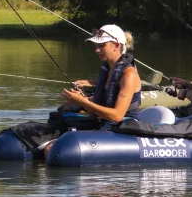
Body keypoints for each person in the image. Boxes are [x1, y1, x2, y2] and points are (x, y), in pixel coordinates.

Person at [44, 24, 142, 157]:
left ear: (116, 46)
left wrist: (83, 102)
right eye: (96, 46)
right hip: (104, 123)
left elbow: (117, 116)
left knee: (51, 149)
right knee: (61, 118)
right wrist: (77, 101)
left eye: (101, 46)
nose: (96, 50)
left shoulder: (128, 74)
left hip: (124, 128)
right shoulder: (108, 69)